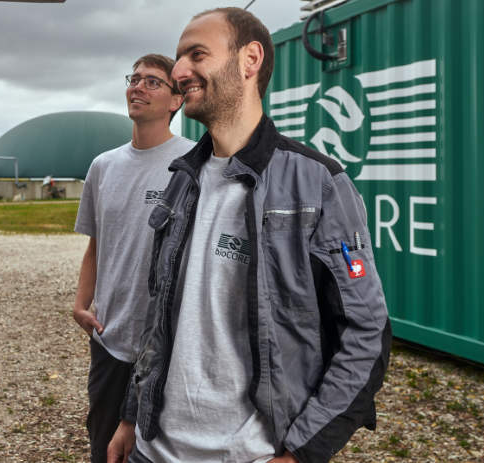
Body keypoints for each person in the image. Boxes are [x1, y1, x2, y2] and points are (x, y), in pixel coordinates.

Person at [108, 8, 391, 463]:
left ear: (250, 59)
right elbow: (156, 314)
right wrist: (130, 415)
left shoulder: (317, 183)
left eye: (196, 54)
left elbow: (366, 332)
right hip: (152, 449)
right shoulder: (181, 179)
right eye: (179, 58)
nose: (179, 72)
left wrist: (301, 451)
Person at [72, 54, 195, 463]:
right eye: (135, 79)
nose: (138, 87)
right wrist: (79, 305)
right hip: (111, 341)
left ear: (177, 101)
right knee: (104, 449)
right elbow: (96, 246)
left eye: (153, 82)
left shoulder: (194, 165)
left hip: (166, 345)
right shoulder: (103, 167)